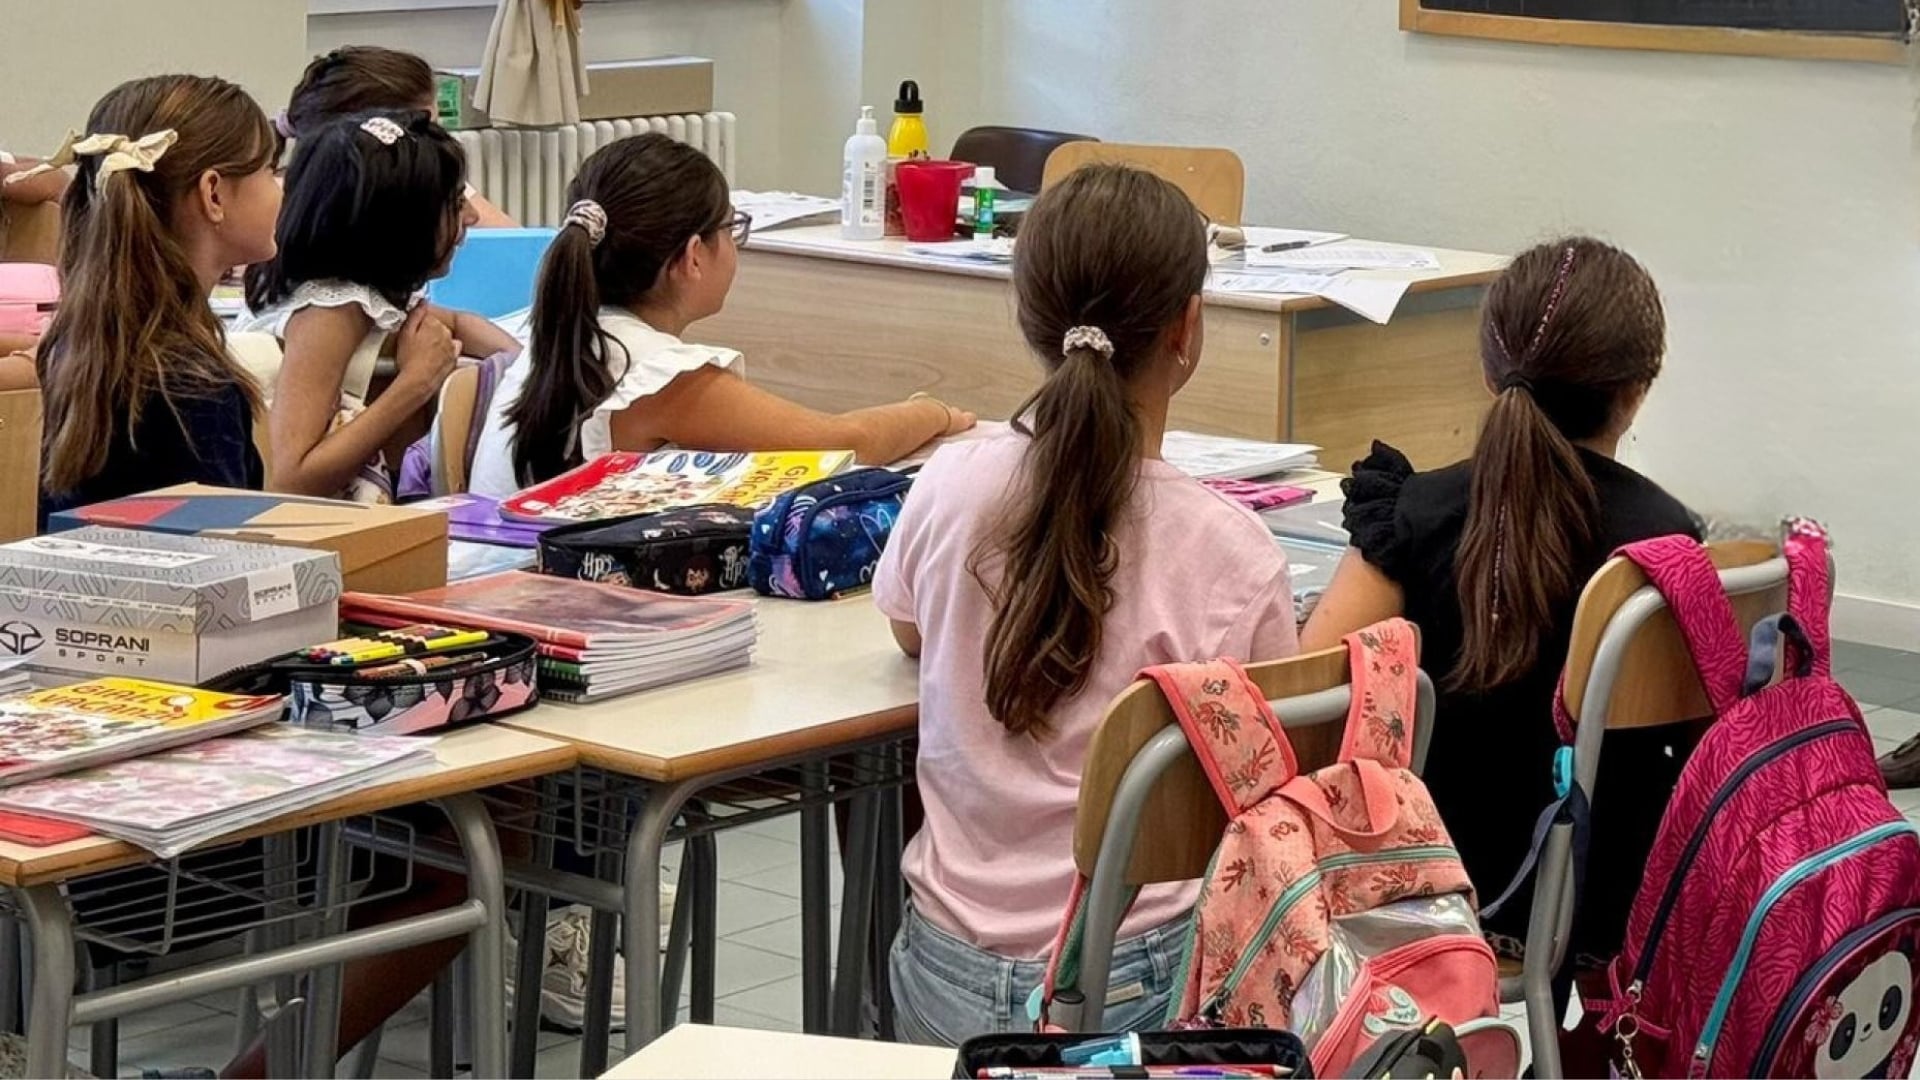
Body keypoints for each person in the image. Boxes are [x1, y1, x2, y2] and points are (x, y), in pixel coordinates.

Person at [873, 164, 1300, 1045]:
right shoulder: (1233, 552)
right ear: (1187, 328)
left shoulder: (950, 482)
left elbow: (908, 628)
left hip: (943, 973)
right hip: (1140, 981)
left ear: (1029, 315)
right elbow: (1268, 782)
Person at [1298, 237, 1699, 972]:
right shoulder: (1667, 545)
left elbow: (1307, 703)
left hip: (1424, 888)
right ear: (1638, 389)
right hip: (1606, 904)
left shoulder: (1411, 514)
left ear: (1489, 372)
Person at [467, 132, 973, 496]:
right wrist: (934, 413)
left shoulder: (563, 327)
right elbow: (845, 445)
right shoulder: (657, 374)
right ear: (693, 256)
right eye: (731, 229)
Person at [31, 75, 281, 523]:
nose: (280, 188)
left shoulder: (83, 348)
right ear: (214, 193)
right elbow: (222, 555)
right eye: (269, 170)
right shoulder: (193, 387)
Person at [239, 110, 518, 501]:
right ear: (400, 225)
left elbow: (458, 322)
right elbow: (292, 478)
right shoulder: (328, 316)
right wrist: (416, 382)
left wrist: (526, 368)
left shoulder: (369, 298)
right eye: (456, 204)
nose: (471, 217)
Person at [273, 45, 515, 227]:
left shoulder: (425, 180)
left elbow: (513, 242)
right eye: (426, 131)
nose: (435, 145)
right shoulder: (283, 205)